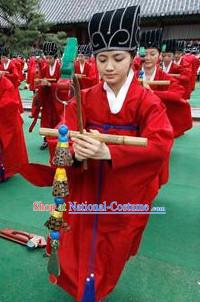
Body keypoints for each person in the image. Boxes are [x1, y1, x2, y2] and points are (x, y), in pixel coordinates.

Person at [21, 6, 173, 302]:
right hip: (87, 185)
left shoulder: (147, 102)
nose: (109, 67)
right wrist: (74, 150)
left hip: (124, 189)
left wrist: (110, 151)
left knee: (113, 243)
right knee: (79, 239)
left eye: (118, 58)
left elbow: (160, 143)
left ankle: (96, 288)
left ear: (132, 58)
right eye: (102, 59)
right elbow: (67, 128)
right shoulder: (88, 96)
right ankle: (85, 290)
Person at [138, 30, 192, 138]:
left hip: (157, 118)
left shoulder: (165, 77)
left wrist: (152, 92)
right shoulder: (132, 75)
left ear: (159, 56)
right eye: (144, 54)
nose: (147, 58)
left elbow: (178, 93)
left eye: (152, 54)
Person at [0, 75, 28, 182]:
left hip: (8, 120)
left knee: (7, 148)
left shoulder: (7, 84)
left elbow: (9, 103)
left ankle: (5, 172)